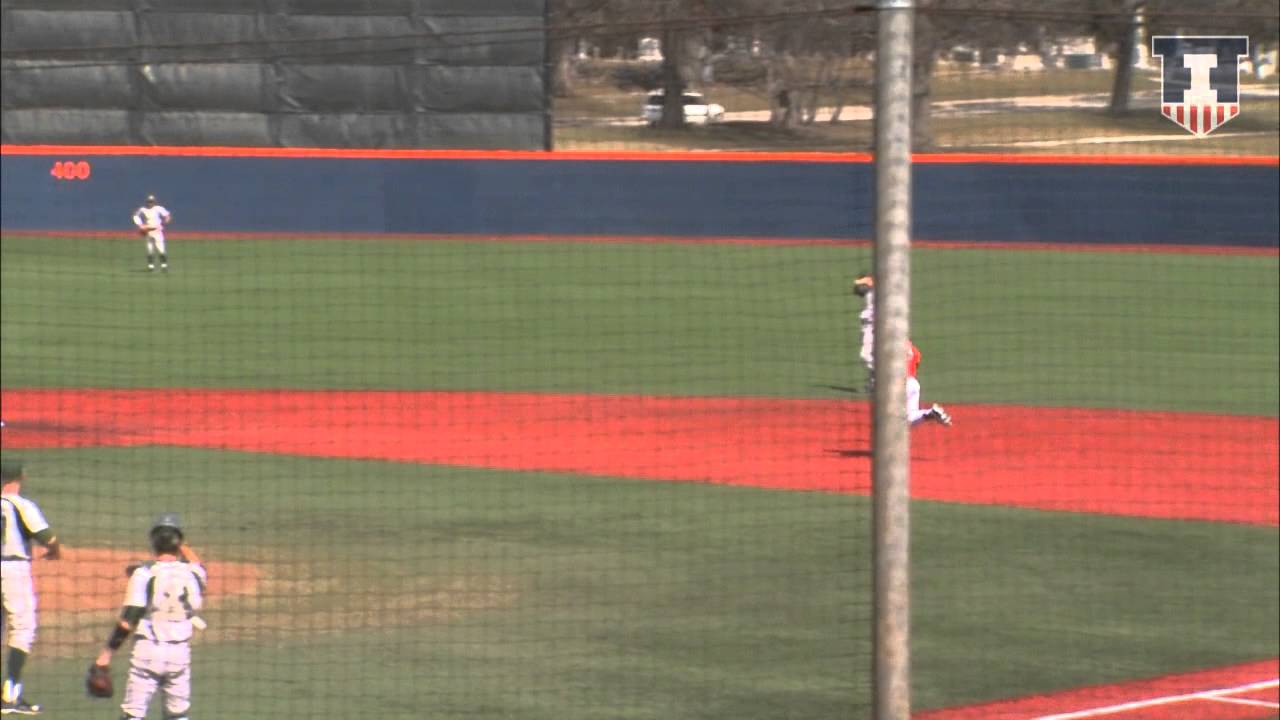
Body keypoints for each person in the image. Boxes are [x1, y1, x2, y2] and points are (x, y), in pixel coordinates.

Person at [92, 513, 206, 720]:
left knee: (133, 714)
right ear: (178, 543)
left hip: (148, 653)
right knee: (178, 715)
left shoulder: (144, 575)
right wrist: (179, 542)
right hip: (179, 656)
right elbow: (197, 564)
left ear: (153, 542)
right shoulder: (194, 575)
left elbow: (128, 620)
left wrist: (105, 656)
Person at [1, 460, 61, 716]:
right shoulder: (22, 505)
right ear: (21, 477)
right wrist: (55, 551)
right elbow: (48, 538)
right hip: (13, 571)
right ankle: (10, 696)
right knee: (22, 629)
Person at [906, 339, 951, 427]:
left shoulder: (888, 347)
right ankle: (930, 413)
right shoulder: (914, 350)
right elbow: (915, 364)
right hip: (912, 384)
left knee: (890, 420)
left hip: (897, 385)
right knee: (910, 417)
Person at [132, 194, 173, 272]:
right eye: (149, 201)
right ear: (147, 202)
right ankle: (151, 267)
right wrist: (140, 225)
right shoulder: (143, 209)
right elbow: (135, 215)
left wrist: (165, 222)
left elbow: (167, 215)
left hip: (157, 231)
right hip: (148, 231)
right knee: (149, 250)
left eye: (151, 201)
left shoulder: (158, 208)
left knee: (161, 249)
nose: (150, 203)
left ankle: (164, 266)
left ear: (154, 202)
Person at [852, 272, 876, 392]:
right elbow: (857, 289)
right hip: (868, 328)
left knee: (865, 354)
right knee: (871, 355)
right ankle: (873, 381)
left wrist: (864, 281)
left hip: (873, 328)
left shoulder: (877, 293)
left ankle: (879, 377)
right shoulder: (870, 294)